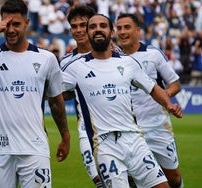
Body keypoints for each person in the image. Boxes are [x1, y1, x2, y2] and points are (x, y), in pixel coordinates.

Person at [0, 0, 70, 187]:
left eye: (16, 24)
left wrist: (65, 136)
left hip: (35, 149)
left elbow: (56, 101)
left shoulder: (46, 58)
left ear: (27, 22)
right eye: (6, 24)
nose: (10, 29)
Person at [62, 14, 182, 188]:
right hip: (104, 143)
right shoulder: (74, 67)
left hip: (134, 138)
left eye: (103, 26)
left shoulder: (128, 62)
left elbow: (153, 87)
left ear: (111, 32)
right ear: (88, 34)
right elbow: (54, 93)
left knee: (165, 184)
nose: (97, 29)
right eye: (93, 27)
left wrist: (169, 104)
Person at [115, 13, 183, 188]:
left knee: (173, 177)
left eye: (127, 27)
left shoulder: (153, 54)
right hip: (129, 130)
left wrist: (162, 96)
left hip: (157, 126)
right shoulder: (112, 58)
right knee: (134, 179)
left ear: (137, 30)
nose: (122, 32)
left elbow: (175, 83)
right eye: (119, 28)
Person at [59, 5, 102, 187]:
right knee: (99, 180)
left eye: (83, 25)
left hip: (120, 128)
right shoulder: (67, 62)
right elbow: (63, 94)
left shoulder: (114, 55)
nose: (78, 30)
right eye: (74, 26)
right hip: (86, 130)